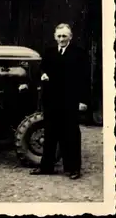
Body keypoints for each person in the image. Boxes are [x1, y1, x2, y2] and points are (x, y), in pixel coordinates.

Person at [30, 23, 90, 180]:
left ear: (70, 37)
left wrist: (83, 100)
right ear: (55, 37)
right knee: (50, 134)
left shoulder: (79, 54)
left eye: (64, 36)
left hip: (70, 101)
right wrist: (42, 74)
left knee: (70, 135)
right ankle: (46, 167)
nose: (62, 39)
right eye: (59, 36)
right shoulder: (49, 53)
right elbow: (41, 69)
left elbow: (85, 79)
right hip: (51, 101)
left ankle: (73, 169)